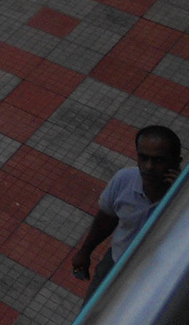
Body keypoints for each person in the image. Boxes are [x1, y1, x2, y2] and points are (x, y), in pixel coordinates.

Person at [71, 124, 182, 300]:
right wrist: (85, 252)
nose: (149, 166)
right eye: (143, 158)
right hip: (116, 262)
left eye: (159, 160)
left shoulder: (185, 197)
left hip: (155, 277)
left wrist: (178, 196)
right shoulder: (124, 180)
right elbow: (106, 220)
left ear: (176, 162)